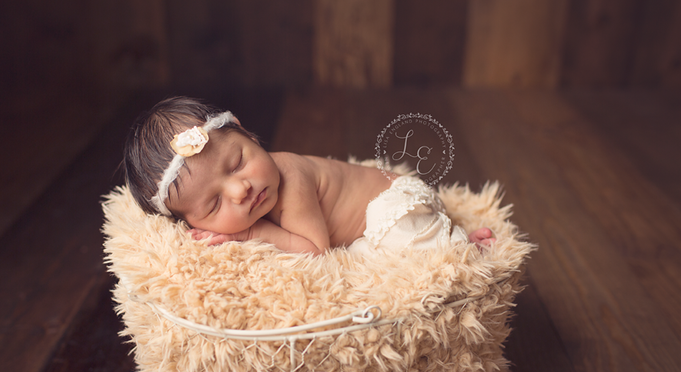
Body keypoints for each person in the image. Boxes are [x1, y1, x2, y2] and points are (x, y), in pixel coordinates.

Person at [123, 96, 494, 256]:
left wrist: (254, 232)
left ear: (245, 132)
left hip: (396, 202)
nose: (240, 189)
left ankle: (457, 247)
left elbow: (316, 252)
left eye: (237, 163)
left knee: (395, 238)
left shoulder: (290, 180)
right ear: (190, 222)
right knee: (367, 257)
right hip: (361, 232)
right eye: (214, 203)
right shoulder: (249, 192)